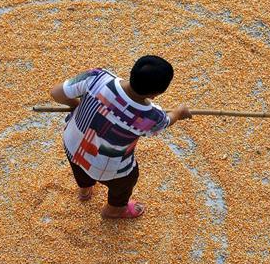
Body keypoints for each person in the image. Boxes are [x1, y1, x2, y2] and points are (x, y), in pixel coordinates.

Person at [49, 55, 192, 219]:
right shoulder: (151, 117)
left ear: (132, 72)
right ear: (155, 94)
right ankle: (114, 210)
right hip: (108, 166)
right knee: (125, 182)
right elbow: (167, 121)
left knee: (80, 167)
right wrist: (179, 112)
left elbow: (56, 93)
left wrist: (76, 105)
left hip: (73, 145)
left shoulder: (98, 76)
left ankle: (84, 190)